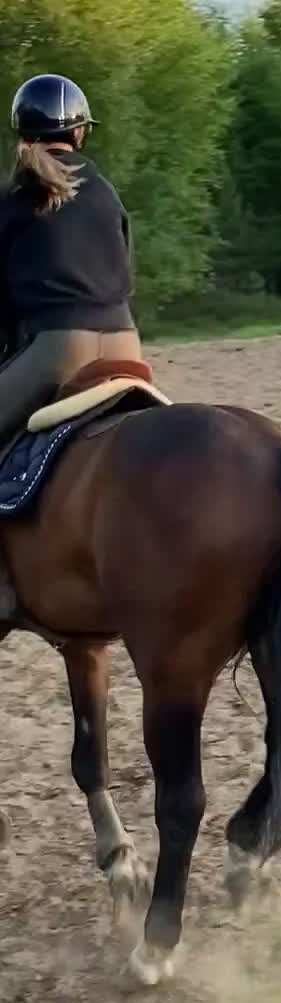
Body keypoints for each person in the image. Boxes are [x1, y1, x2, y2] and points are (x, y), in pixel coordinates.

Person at [0, 73, 140, 620]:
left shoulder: (15, 200)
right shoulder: (106, 192)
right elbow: (125, 271)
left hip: (59, 350)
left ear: (23, 132)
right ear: (80, 132)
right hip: (127, 343)